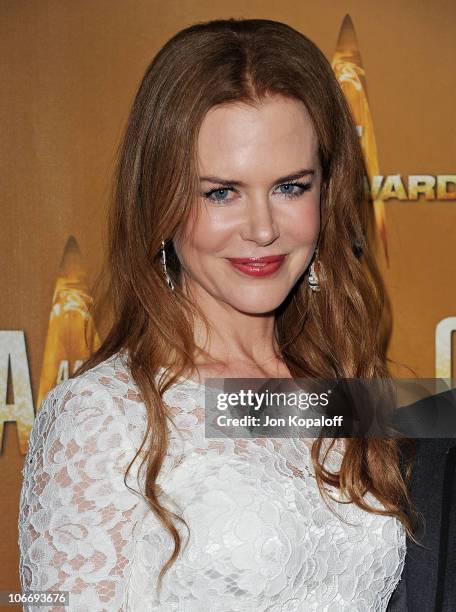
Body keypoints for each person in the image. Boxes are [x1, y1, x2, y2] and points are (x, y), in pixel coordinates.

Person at [18, 18, 424, 611]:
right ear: (160, 201)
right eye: (220, 192)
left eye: (290, 187)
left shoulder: (338, 391)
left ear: (325, 192)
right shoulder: (103, 416)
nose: (262, 229)